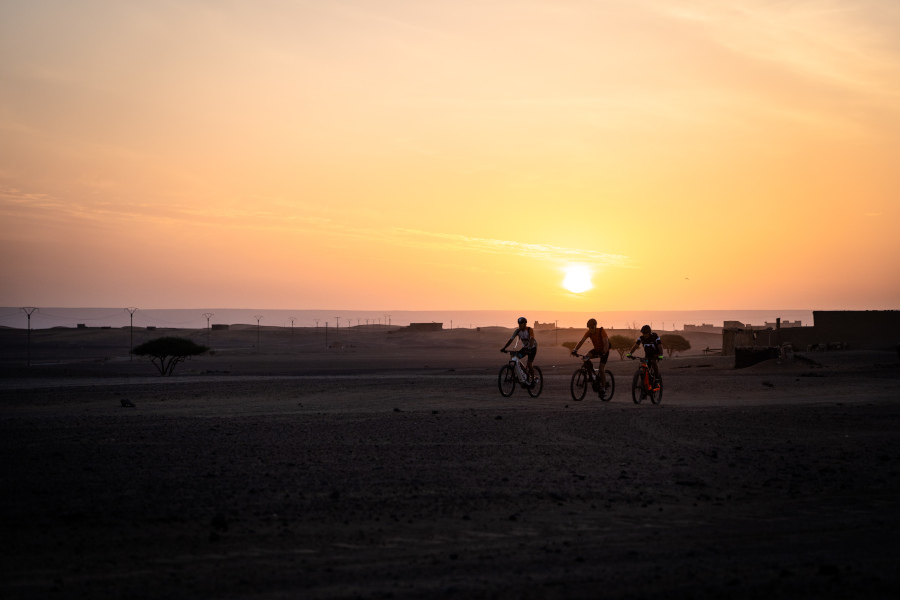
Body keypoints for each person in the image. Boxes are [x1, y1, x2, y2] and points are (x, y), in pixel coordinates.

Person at [571, 318, 611, 392]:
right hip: (596, 350)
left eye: (592, 327)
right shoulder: (588, 332)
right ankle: (592, 375)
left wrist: (604, 352)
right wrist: (575, 350)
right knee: (585, 358)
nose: (591, 329)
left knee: (601, 369)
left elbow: (606, 343)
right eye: (589, 328)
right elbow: (581, 341)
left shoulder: (601, 331)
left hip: (604, 351)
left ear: (595, 326)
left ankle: (603, 388)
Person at [500, 317, 537, 381]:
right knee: (516, 358)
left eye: (521, 323)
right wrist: (504, 348)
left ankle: (533, 379)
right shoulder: (517, 331)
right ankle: (521, 374)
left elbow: (532, 339)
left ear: (525, 324)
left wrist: (529, 347)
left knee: (529, 364)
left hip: (532, 348)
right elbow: (511, 340)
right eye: (519, 323)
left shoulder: (529, 330)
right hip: (524, 348)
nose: (520, 325)